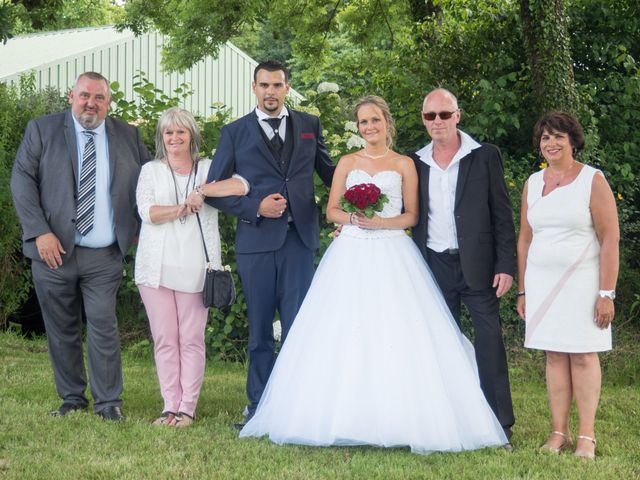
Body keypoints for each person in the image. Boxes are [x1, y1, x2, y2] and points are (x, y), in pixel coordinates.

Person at [239, 96, 508, 453]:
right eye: (363, 122)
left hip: (393, 250)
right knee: (345, 331)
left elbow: (412, 215)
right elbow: (333, 208)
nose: (369, 128)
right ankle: (346, 416)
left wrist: (381, 222)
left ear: (387, 123)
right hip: (350, 250)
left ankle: (406, 415)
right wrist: (352, 219)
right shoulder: (348, 162)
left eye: (375, 121)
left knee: (396, 330)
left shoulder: (406, 164)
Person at [11, 72, 150, 421]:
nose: (91, 103)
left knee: (103, 324)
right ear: (71, 95)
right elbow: (22, 180)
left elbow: (149, 181)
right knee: (61, 329)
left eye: (99, 97)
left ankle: (108, 403)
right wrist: (39, 232)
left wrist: (137, 225)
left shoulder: (129, 136)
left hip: (104, 254)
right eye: (85, 95)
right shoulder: (42, 130)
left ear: (109, 102)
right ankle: (72, 397)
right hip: (53, 252)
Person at [206, 60, 335, 425]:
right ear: (254, 88)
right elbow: (214, 190)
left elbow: (330, 173)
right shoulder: (234, 133)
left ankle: (298, 406)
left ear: (287, 88)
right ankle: (258, 407)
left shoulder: (309, 126)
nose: (270, 92)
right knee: (260, 329)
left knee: (299, 327)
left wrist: (365, 186)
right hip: (257, 244)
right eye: (264, 85)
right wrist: (254, 207)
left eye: (277, 85)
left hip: (300, 241)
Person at [410, 88, 516, 443]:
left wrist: (506, 265)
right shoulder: (416, 161)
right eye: (430, 116)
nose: (437, 122)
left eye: (444, 114)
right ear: (423, 120)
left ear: (457, 115)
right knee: (441, 344)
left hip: (480, 266)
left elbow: (502, 215)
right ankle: (449, 418)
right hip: (433, 264)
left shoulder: (484, 156)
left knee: (488, 341)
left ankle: (500, 423)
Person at [135, 107, 248, 427]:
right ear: (161, 137)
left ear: (192, 136)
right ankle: (169, 405)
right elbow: (147, 212)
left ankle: (187, 408)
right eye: (168, 132)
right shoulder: (150, 171)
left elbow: (242, 185)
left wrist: (202, 191)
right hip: (155, 268)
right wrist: (183, 208)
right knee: (165, 338)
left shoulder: (209, 169)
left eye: (180, 132)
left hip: (198, 267)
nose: (174, 138)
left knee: (191, 338)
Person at [516, 112, 619, 459]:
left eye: (559, 136)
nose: (551, 143)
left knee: (583, 355)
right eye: (545, 138)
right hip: (541, 282)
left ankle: (586, 437)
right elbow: (525, 240)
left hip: (584, 282)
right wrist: (524, 290)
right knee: (554, 355)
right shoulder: (532, 182)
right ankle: (558, 432)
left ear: (573, 140)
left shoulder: (593, 179)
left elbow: (609, 239)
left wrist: (606, 293)